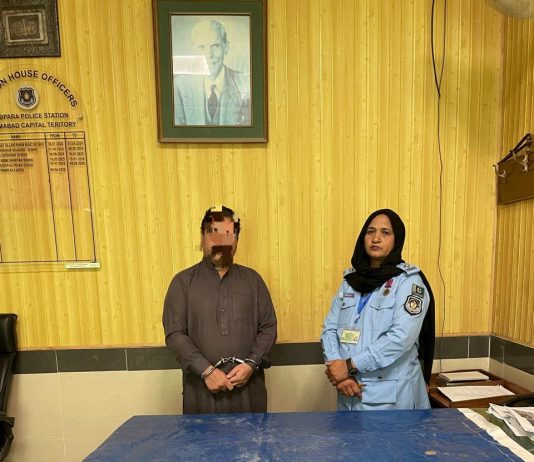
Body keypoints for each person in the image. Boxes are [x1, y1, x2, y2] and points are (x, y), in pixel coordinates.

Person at [163, 206, 277, 414]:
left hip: (249, 392)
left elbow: (268, 327)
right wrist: (206, 371)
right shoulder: (183, 283)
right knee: (202, 436)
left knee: (253, 436)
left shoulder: (253, 281)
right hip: (201, 392)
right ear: (203, 237)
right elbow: (174, 333)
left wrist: (251, 364)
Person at [321, 209, 435, 411]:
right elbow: (329, 328)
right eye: (370, 231)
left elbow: (400, 338)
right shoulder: (350, 281)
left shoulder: (409, 283)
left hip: (392, 401)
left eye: (385, 233)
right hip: (348, 393)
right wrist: (338, 371)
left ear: (397, 240)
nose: (376, 238)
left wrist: (349, 366)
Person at [173, 20, 251, 126]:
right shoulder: (180, 86)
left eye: (215, 46)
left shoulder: (245, 83)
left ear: (226, 48)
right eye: (202, 47)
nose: (209, 55)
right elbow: (177, 133)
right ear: (195, 51)